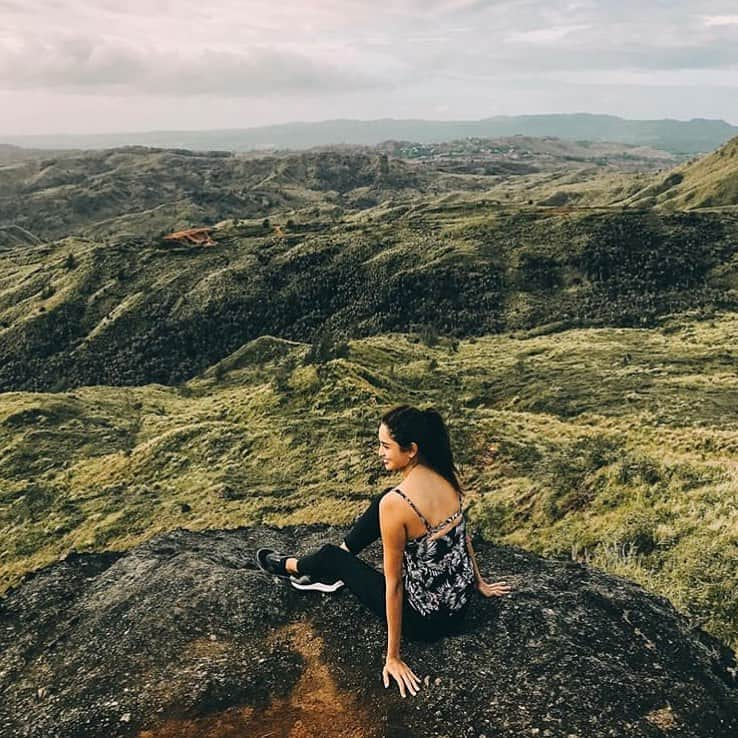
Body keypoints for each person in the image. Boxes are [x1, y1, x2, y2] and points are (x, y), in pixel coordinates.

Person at [256, 404, 512, 697]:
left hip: (425, 622)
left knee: (331, 556)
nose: (380, 452)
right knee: (382, 501)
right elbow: (463, 538)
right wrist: (479, 583)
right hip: (460, 604)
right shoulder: (448, 478)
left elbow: (394, 586)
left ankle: (288, 566)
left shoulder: (397, 504)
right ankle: (343, 553)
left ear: (411, 449)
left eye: (385, 446)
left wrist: (393, 657)